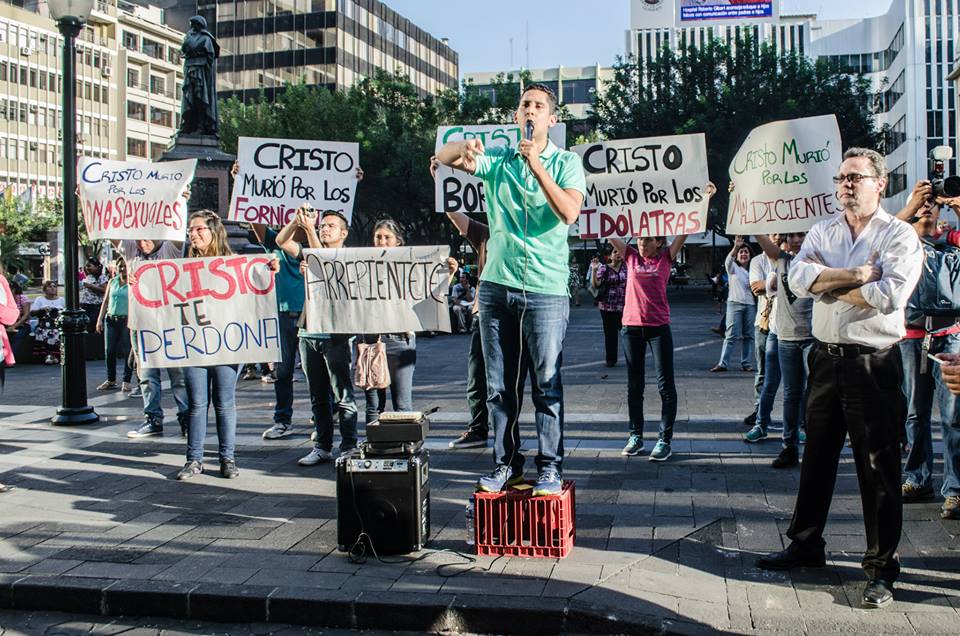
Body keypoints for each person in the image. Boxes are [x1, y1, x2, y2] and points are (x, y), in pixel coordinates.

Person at [756, 148, 922, 610]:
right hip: (825, 359)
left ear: (880, 184)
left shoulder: (898, 235)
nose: (846, 184)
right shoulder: (822, 230)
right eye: (841, 178)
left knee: (878, 467)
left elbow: (888, 295)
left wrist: (827, 285)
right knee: (817, 457)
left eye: (855, 177)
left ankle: (881, 568)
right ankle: (806, 543)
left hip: (873, 362)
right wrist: (853, 275)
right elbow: (797, 280)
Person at [436, 82, 587, 496]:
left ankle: (550, 467)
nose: (530, 110)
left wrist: (537, 166)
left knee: (546, 383)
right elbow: (442, 158)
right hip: (496, 286)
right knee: (500, 386)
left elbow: (569, 212)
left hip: (545, 289)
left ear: (551, 119)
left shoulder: (567, 163)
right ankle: (506, 465)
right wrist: (463, 146)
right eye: (524, 105)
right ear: (517, 116)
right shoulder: (500, 159)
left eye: (538, 105)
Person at [611, 183, 715, 462]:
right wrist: (594, 201)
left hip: (658, 328)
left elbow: (688, 227)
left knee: (665, 385)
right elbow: (606, 230)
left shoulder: (666, 258)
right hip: (631, 328)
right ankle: (635, 436)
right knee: (634, 385)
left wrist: (705, 200)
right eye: (639, 239)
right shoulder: (630, 256)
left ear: (659, 242)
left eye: (647, 240)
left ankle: (664, 439)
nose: (641, 243)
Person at [177, 210, 272, 480]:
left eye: (199, 229)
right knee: (196, 404)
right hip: (195, 344)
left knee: (224, 402)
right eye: (190, 230)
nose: (193, 234)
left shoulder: (234, 265)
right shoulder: (180, 268)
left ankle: (227, 459)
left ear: (214, 231)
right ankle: (194, 460)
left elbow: (253, 293)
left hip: (226, 343)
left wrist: (268, 269)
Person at [892, 180, 960, 520]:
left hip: (951, 335)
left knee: (953, 416)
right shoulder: (902, 242)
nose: (927, 206)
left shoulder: (952, 241)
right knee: (915, 413)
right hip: (912, 337)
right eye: (921, 201)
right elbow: (878, 236)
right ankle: (917, 479)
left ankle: (955, 489)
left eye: (932, 202)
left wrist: (957, 205)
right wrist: (910, 208)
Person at [277, 207, 358, 465]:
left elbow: (324, 263)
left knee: (342, 394)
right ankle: (322, 446)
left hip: (336, 332)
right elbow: (281, 241)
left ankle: (349, 445)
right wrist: (297, 221)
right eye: (322, 225)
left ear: (344, 233)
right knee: (318, 395)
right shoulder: (309, 251)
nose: (324, 228)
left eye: (330, 225)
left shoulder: (349, 258)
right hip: (309, 329)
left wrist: (309, 229)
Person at [749, 232, 814, 466]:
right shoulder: (783, 260)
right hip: (785, 337)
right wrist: (752, 222)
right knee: (791, 394)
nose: (797, 240)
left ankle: (814, 444)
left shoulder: (817, 261)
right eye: (792, 236)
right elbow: (765, 244)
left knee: (813, 394)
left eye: (801, 235)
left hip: (812, 338)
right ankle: (789, 447)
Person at [117, 237, 190, 437]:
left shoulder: (170, 249)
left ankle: (186, 419)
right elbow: (111, 229)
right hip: (141, 323)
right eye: (138, 239)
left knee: (178, 375)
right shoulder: (131, 249)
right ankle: (153, 419)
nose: (142, 243)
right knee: (147, 376)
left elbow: (176, 226)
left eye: (147, 238)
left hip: (169, 322)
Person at [358, 219, 417, 423]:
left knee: (402, 404)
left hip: (400, 337)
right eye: (378, 237)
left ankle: (403, 441)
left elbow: (428, 291)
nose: (382, 242)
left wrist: (449, 272)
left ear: (398, 241)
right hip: (371, 338)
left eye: (387, 237)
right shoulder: (362, 266)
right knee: (374, 405)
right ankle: (374, 440)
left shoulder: (409, 266)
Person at [742, 235, 780, 427]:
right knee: (763, 372)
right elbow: (756, 288)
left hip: (790, 325)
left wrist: (769, 284)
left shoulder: (791, 258)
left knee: (798, 377)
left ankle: (802, 417)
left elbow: (802, 285)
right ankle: (760, 410)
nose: (777, 237)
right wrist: (785, 283)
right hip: (764, 323)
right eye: (772, 234)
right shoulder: (758, 260)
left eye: (780, 234)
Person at [710, 238, 755, 372]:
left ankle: (746, 363)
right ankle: (723, 363)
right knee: (731, 335)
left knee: (749, 336)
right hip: (734, 304)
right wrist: (736, 247)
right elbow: (728, 261)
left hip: (750, 305)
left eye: (746, 252)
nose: (744, 254)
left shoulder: (754, 270)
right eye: (741, 252)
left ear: (750, 255)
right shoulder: (733, 268)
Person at [95, 258, 135, 392]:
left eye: (125, 266)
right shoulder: (112, 281)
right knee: (109, 350)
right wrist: (99, 319)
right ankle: (111, 379)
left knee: (127, 350)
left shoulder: (133, 283)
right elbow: (106, 301)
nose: (122, 269)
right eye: (120, 266)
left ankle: (126, 380)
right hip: (111, 319)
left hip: (126, 320)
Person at [178, 16, 220, 136]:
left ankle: (201, 126)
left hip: (201, 72)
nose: (191, 27)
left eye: (193, 24)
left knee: (200, 98)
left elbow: (210, 56)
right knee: (189, 98)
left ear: (198, 24)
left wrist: (198, 55)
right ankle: (188, 125)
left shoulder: (206, 38)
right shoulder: (189, 36)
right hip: (190, 69)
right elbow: (184, 50)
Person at [593, 249, 627, 367]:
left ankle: (632, 357)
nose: (618, 254)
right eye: (615, 252)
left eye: (619, 252)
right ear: (610, 256)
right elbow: (596, 285)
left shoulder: (626, 268)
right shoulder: (604, 268)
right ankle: (611, 359)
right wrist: (594, 270)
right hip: (607, 306)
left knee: (628, 332)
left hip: (624, 305)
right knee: (610, 333)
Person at [31, 281, 65, 365]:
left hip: (57, 325)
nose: (53, 288)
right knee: (42, 331)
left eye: (54, 286)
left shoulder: (61, 300)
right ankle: (49, 356)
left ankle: (53, 355)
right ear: (45, 289)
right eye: (50, 286)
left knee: (56, 332)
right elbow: (32, 313)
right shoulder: (40, 299)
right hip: (44, 325)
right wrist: (41, 310)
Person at [79, 258, 108, 332]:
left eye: (89, 266)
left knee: (92, 327)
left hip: (94, 307)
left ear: (96, 267)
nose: (87, 268)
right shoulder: (88, 277)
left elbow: (105, 290)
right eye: (86, 266)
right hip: (85, 306)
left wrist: (91, 286)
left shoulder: (101, 277)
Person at [5, 280, 31, 355]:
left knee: (18, 335)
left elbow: (26, 316)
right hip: (7, 324)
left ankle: (11, 357)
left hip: (22, 324)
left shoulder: (23, 298)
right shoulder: (4, 300)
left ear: (13, 290)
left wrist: (13, 326)